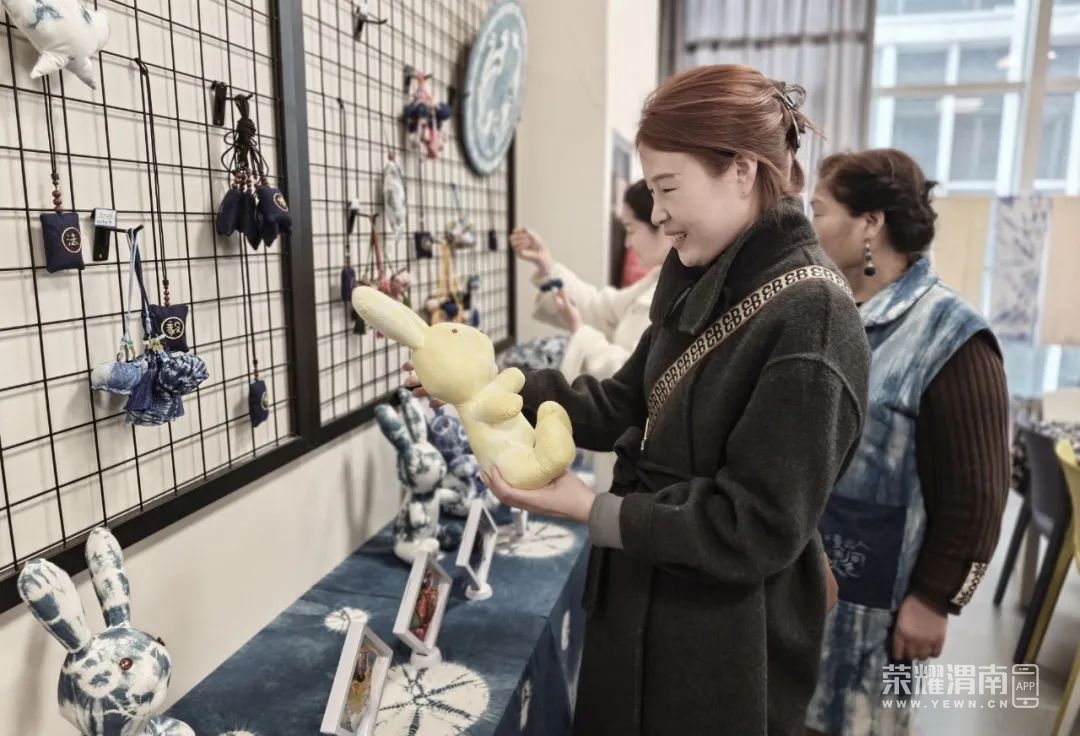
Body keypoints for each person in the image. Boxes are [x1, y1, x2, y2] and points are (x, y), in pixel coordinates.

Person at [412, 65, 871, 735]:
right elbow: (622, 403)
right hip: (637, 602)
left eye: (668, 188)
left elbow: (755, 526)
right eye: (652, 191)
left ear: (742, 171)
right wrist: (487, 383)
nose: (656, 214)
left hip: (723, 644)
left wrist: (593, 509)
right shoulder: (700, 276)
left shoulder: (812, 318)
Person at [804, 149, 1010, 736]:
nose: (809, 227)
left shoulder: (951, 333)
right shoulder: (828, 312)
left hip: (881, 605)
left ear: (870, 223)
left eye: (819, 211)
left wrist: (936, 599)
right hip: (804, 587)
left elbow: (978, 491)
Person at [509, 179, 671, 381]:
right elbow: (601, 308)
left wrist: (579, 330)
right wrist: (546, 265)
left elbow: (631, 375)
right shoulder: (658, 279)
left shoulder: (678, 295)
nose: (627, 243)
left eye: (630, 230)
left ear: (661, 224)